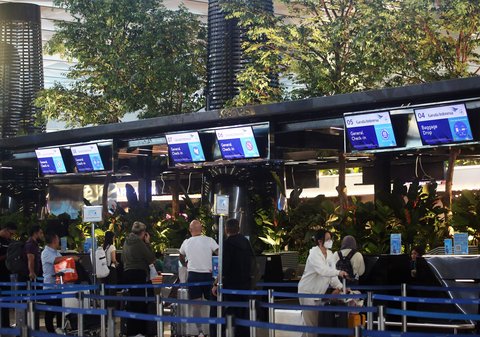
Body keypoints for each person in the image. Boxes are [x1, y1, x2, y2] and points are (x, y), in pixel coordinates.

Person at [298, 230, 347, 337]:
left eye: (331, 238)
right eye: (328, 239)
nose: (330, 241)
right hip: (307, 292)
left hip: (318, 294)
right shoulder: (314, 255)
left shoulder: (330, 255)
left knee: (313, 324)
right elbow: (323, 271)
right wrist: (339, 272)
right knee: (312, 325)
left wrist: (341, 287)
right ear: (320, 241)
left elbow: (332, 276)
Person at [212, 218, 254, 337]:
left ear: (226, 230)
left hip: (230, 286)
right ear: (238, 228)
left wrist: (216, 283)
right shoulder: (246, 242)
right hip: (245, 284)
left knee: (229, 314)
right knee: (243, 314)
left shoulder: (227, 244)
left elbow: (224, 268)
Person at [179, 219, 219, 337]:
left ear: (190, 230)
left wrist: (186, 264)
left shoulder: (186, 242)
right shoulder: (209, 240)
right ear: (201, 229)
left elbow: (180, 256)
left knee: (196, 305)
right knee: (213, 302)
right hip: (207, 275)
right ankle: (214, 329)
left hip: (193, 276)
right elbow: (219, 253)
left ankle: (200, 331)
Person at [121, 221, 156, 336]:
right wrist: (147, 243)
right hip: (139, 274)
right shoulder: (139, 243)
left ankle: (131, 331)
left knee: (131, 303)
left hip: (127, 274)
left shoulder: (126, 242)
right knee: (140, 303)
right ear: (143, 233)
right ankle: (140, 331)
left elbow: (122, 258)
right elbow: (151, 258)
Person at [41, 231, 79, 333]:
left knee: (60, 310)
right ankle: (50, 332)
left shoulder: (56, 252)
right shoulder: (46, 253)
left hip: (59, 286)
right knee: (50, 311)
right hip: (50, 287)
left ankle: (60, 329)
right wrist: (70, 257)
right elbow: (56, 260)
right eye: (57, 239)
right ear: (54, 240)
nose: (59, 241)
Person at [0, 223, 17, 328]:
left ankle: (5, 324)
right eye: (10, 234)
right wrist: (7, 256)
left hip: (7, 274)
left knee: (5, 301)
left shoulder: (9, 242)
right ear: (5, 230)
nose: (11, 237)